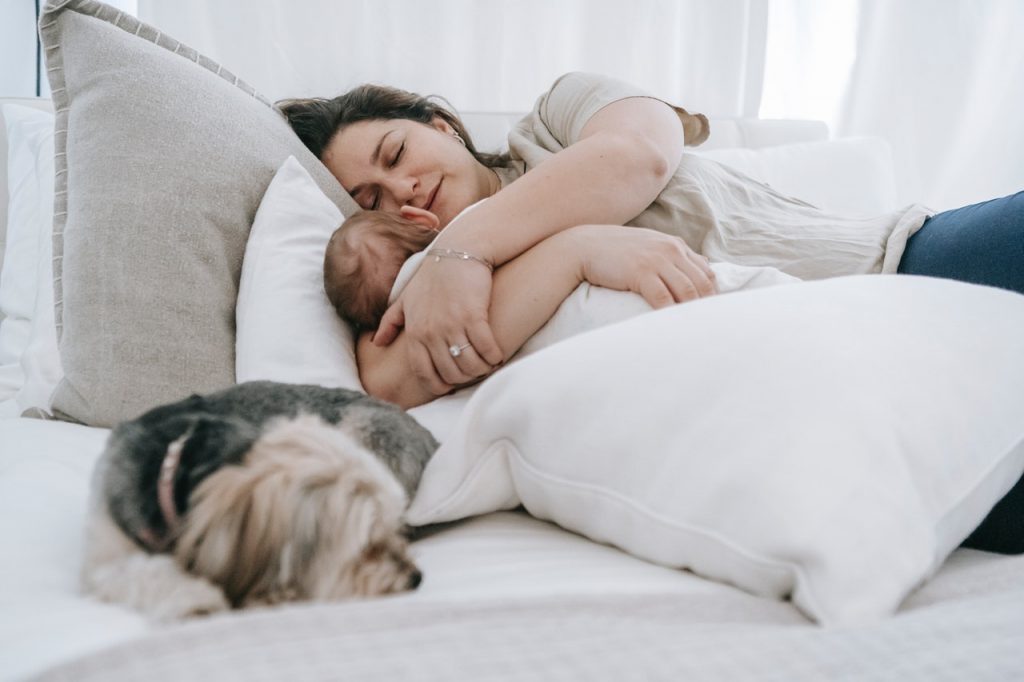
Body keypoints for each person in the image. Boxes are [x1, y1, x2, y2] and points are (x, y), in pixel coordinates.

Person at [281, 72, 1023, 553]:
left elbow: (639, 155)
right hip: (843, 397)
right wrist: (567, 250)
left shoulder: (556, 117)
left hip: (906, 262)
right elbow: (386, 382)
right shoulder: (423, 281)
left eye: (394, 152)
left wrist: (464, 249)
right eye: (369, 200)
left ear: (440, 124)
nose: (401, 190)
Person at [323, 206, 798, 401]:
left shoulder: (488, 227)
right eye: (369, 197)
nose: (401, 188)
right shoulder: (473, 231)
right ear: (419, 221)